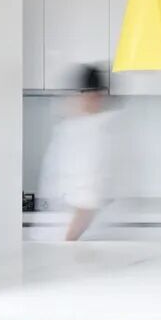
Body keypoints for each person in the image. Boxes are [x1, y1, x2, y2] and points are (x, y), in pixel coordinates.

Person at [38, 65, 114, 241]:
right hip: (67, 235)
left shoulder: (87, 130)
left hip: (69, 236)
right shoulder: (79, 129)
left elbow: (87, 201)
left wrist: (68, 242)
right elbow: (85, 202)